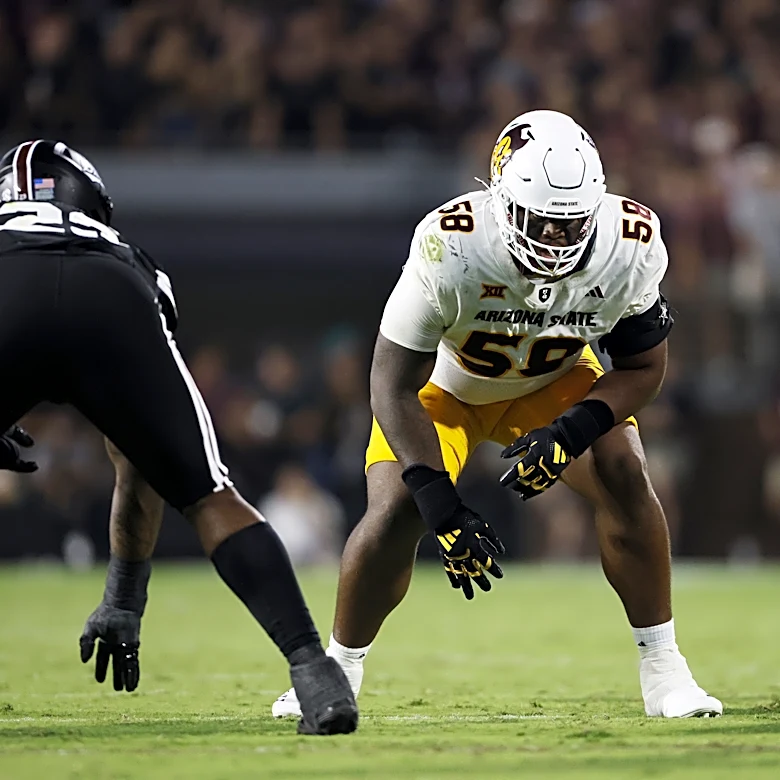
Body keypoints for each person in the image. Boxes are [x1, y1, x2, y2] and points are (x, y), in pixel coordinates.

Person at [273, 110, 722, 719]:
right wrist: (441, 503)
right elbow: (389, 382)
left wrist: (573, 431)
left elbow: (644, 369)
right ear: (501, 202)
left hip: (552, 382)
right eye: (543, 223)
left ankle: (665, 669)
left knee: (623, 468)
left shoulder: (630, 244)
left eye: (572, 226)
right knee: (399, 507)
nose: (557, 242)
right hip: (445, 389)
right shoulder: (450, 244)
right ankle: (338, 671)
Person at [0, 140, 357, 736]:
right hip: (110, 289)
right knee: (211, 495)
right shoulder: (132, 257)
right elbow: (138, 464)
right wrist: (124, 596)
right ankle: (313, 671)